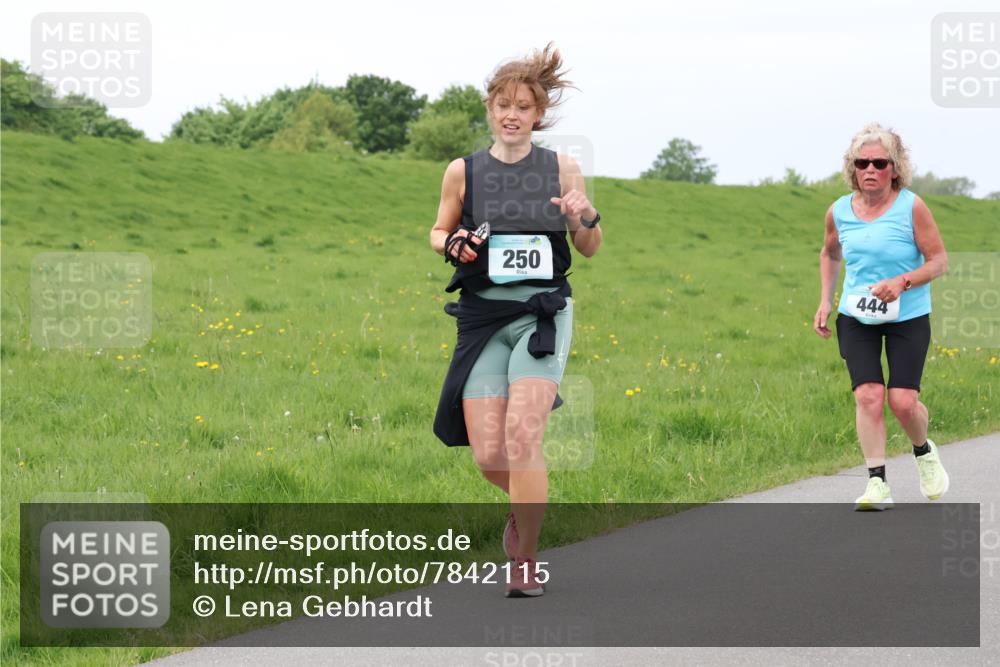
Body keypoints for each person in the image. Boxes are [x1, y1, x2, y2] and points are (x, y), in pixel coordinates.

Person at [430, 44, 602, 596]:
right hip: (482, 317)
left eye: (523, 106)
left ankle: (525, 560)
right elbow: (438, 231)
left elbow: (590, 245)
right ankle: (525, 506)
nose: (512, 113)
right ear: (489, 108)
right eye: (503, 103)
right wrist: (449, 243)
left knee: (524, 436)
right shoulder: (463, 171)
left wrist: (585, 216)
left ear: (537, 114)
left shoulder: (561, 167)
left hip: (541, 314)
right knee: (489, 454)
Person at [813, 122, 950, 511]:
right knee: (869, 395)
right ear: (852, 167)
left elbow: (939, 261)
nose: (870, 169)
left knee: (903, 402)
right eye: (862, 162)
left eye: (879, 162)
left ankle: (923, 452)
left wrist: (903, 282)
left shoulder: (912, 206)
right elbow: (829, 253)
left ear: (895, 167)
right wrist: (825, 300)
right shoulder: (839, 210)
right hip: (856, 315)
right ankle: (877, 484)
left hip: (907, 314)